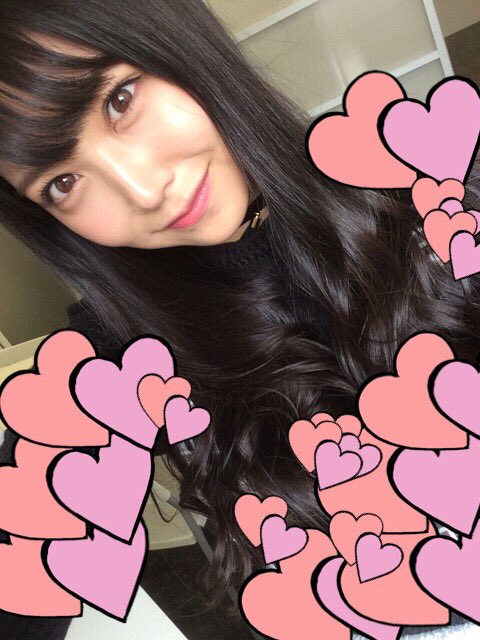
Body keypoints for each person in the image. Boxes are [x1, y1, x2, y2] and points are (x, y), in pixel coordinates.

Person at [0, 1, 478, 639]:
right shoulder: (123, 359)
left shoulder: (426, 185)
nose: (143, 190)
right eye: (62, 183)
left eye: (119, 100)